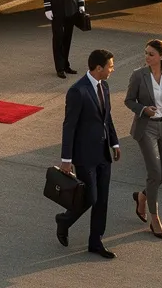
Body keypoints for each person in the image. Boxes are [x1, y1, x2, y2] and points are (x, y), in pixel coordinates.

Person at [56, 48, 121, 259]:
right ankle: (64, 220)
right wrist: (66, 159)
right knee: (90, 197)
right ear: (98, 67)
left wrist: (115, 143)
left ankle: (96, 241)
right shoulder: (78, 91)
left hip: (103, 153)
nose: (112, 69)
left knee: (102, 199)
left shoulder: (105, 86)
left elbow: (107, 118)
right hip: (84, 156)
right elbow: (69, 126)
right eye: (110, 66)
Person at [123, 39, 162, 239]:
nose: (146, 57)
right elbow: (129, 100)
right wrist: (143, 110)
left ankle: (141, 197)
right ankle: (154, 218)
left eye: (151, 54)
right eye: (146, 53)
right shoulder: (138, 75)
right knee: (155, 172)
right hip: (146, 127)